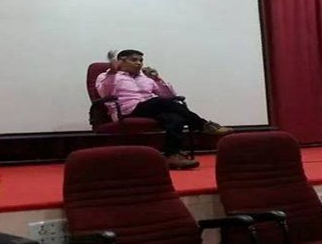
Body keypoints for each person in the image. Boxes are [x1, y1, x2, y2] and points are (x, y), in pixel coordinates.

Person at [96, 49, 232, 170]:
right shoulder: (107, 76)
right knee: (158, 102)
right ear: (121, 61)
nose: (139, 63)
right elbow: (105, 94)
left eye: (141, 60)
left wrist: (157, 79)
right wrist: (112, 73)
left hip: (152, 108)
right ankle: (202, 125)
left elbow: (169, 96)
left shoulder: (145, 78)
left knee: (175, 118)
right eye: (134, 60)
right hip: (128, 110)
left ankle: (172, 156)